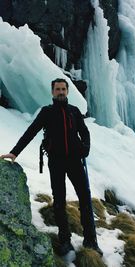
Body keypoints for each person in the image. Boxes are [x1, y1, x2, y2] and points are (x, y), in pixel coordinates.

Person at [0, 78, 103, 256]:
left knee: (85, 198)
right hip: (56, 162)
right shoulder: (47, 112)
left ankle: (90, 240)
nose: (61, 92)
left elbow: (84, 132)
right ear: (52, 92)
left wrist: (85, 147)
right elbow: (30, 132)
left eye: (63, 89)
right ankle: (65, 240)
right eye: (57, 89)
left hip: (75, 161)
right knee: (59, 200)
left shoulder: (74, 111)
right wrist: (14, 152)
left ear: (67, 91)